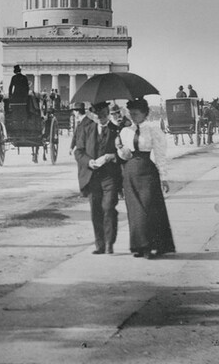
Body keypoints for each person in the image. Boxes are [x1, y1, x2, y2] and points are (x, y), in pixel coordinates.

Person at [116, 98, 175, 258]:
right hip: (130, 173)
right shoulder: (124, 131)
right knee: (135, 211)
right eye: (131, 114)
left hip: (147, 172)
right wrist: (120, 149)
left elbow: (160, 155)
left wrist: (164, 177)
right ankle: (139, 246)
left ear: (145, 114)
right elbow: (123, 156)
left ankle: (152, 245)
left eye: (136, 114)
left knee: (149, 209)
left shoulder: (153, 130)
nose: (133, 117)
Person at [73, 101, 122, 254]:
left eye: (103, 115)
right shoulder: (86, 130)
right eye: (98, 115)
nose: (101, 118)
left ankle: (109, 243)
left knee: (108, 208)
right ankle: (99, 244)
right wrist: (89, 161)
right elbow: (78, 152)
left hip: (110, 176)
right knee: (96, 211)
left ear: (108, 114)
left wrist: (113, 156)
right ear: (93, 116)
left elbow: (124, 153)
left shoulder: (117, 131)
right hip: (92, 176)